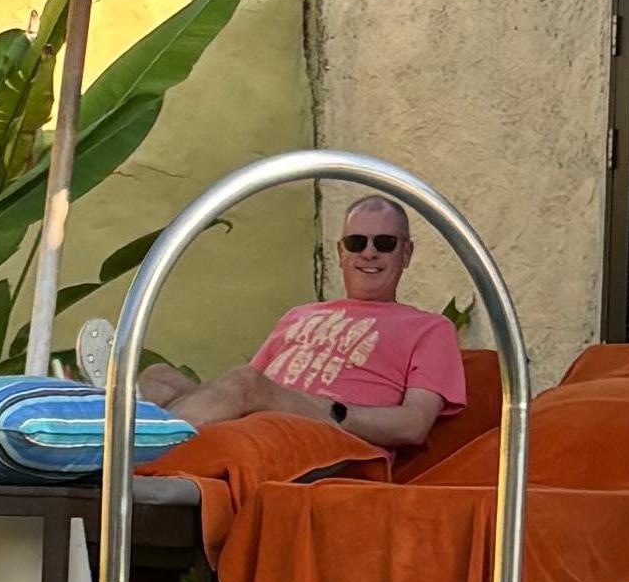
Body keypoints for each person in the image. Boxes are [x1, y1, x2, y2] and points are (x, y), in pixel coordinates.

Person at [137, 193, 471, 453]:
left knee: (244, 381)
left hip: (329, 437)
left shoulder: (429, 328)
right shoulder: (300, 315)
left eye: (384, 244)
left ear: (407, 253)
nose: (368, 253)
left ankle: (127, 452)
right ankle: (109, 435)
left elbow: (414, 424)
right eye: (357, 243)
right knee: (157, 378)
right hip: (266, 418)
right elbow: (253, 391)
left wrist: (335, 412)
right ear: (341, 253)